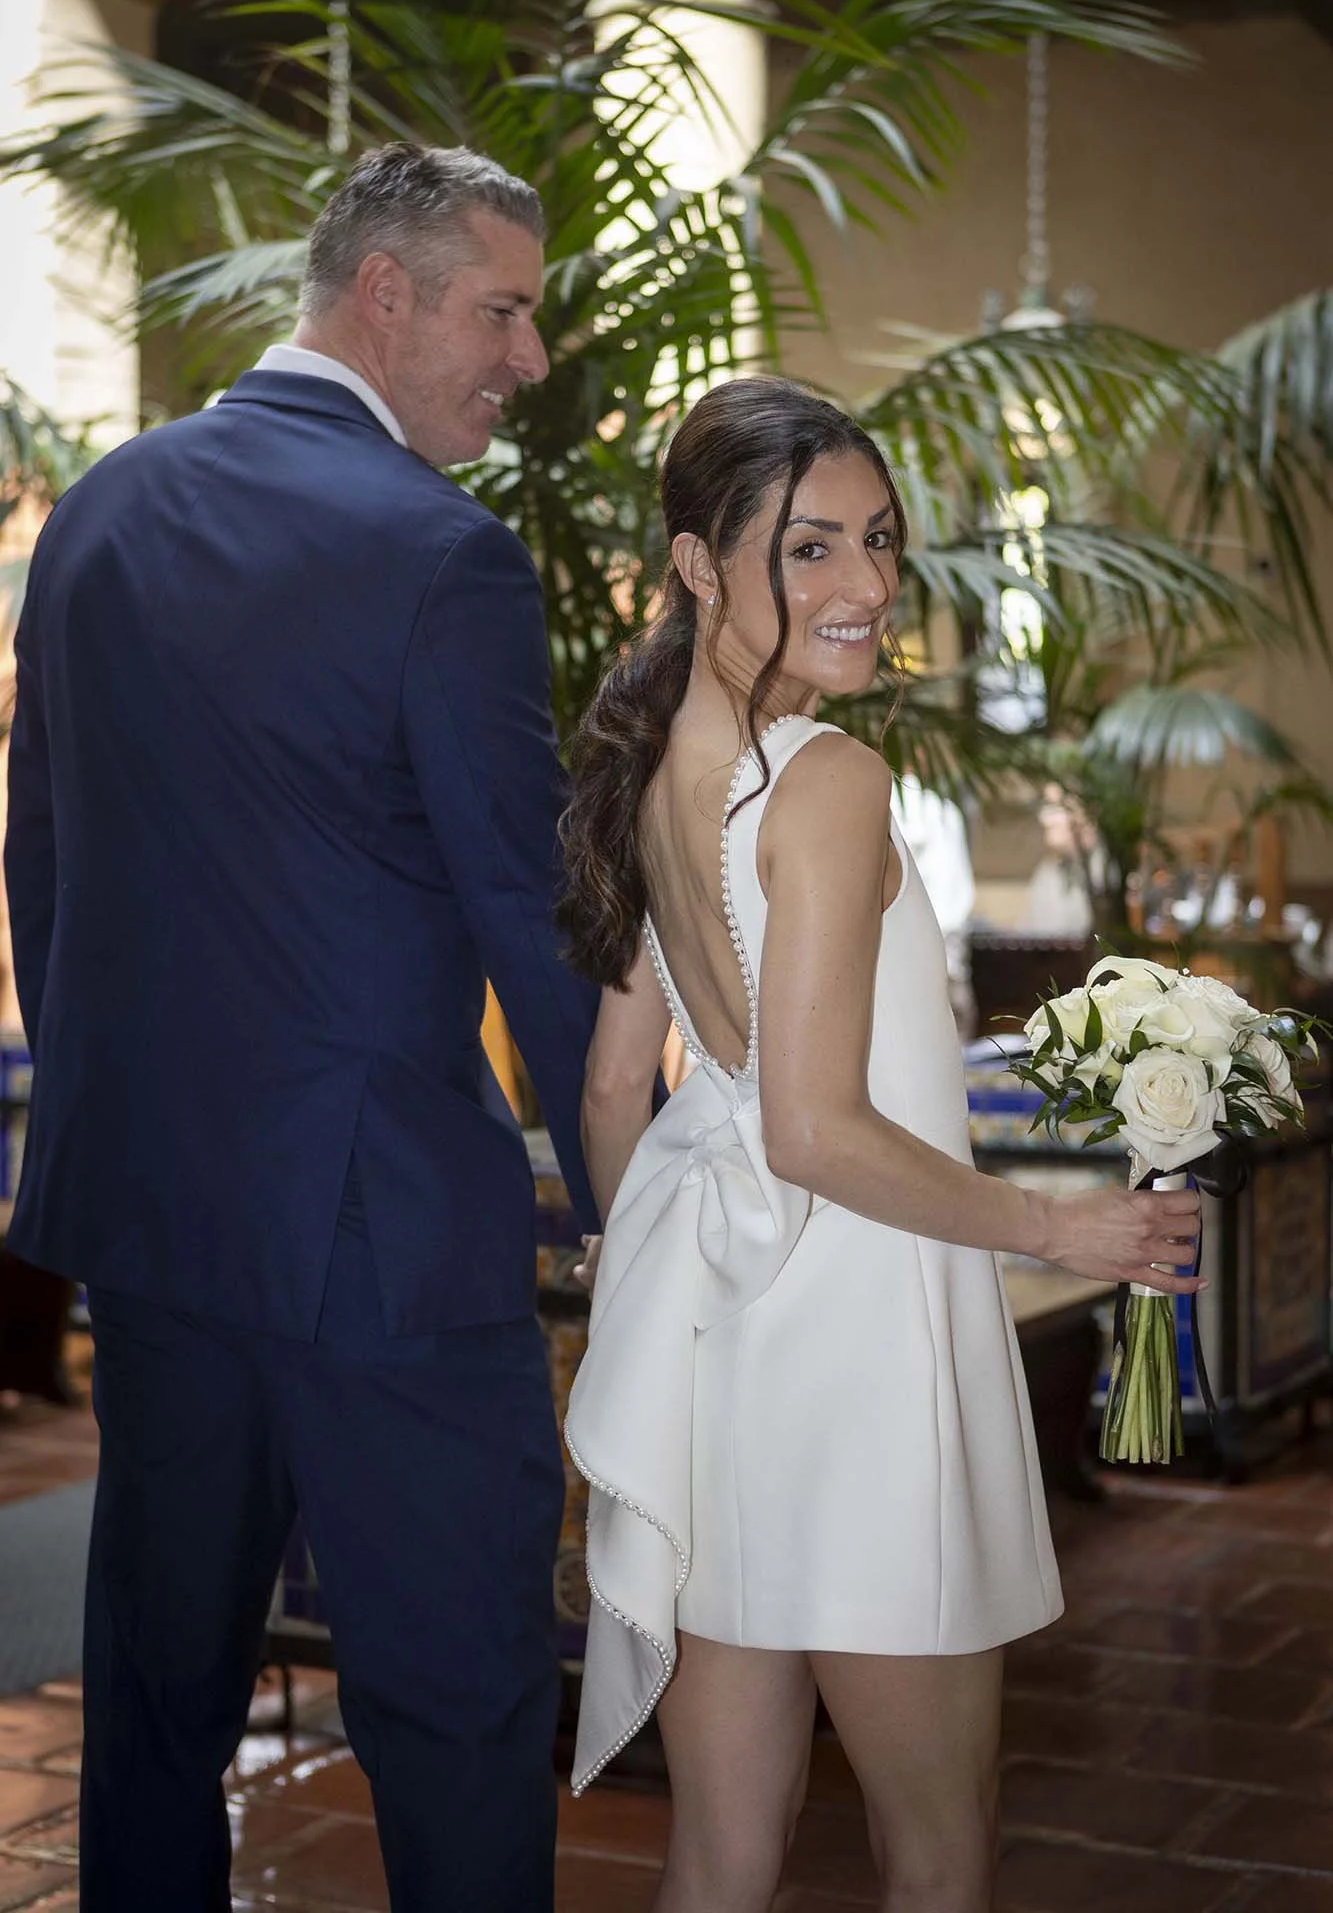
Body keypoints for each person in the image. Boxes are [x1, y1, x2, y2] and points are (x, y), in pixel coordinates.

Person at [4, 141, 600, 1913]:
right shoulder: (444, 555)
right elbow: (537, 934)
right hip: (385, 1254)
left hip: (158, 1233)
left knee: (160, 1704)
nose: (531, 355)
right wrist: (646, 1202)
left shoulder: (98, 510)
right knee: (460, 1708)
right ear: (386, 294)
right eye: (503, 308)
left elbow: (45, 870)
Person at [557, 376, 1203, 1913]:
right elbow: (813, 1129)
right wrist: (1062, 1231)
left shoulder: (662, 775)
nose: (866, 590)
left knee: (719, 1852)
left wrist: (653, 1268)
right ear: (700, 567)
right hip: (868, 1354)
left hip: (725, 1355)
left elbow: (606, 1090)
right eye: (811, 551)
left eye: (882, 546)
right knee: (937, 1847)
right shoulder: (831, 783)